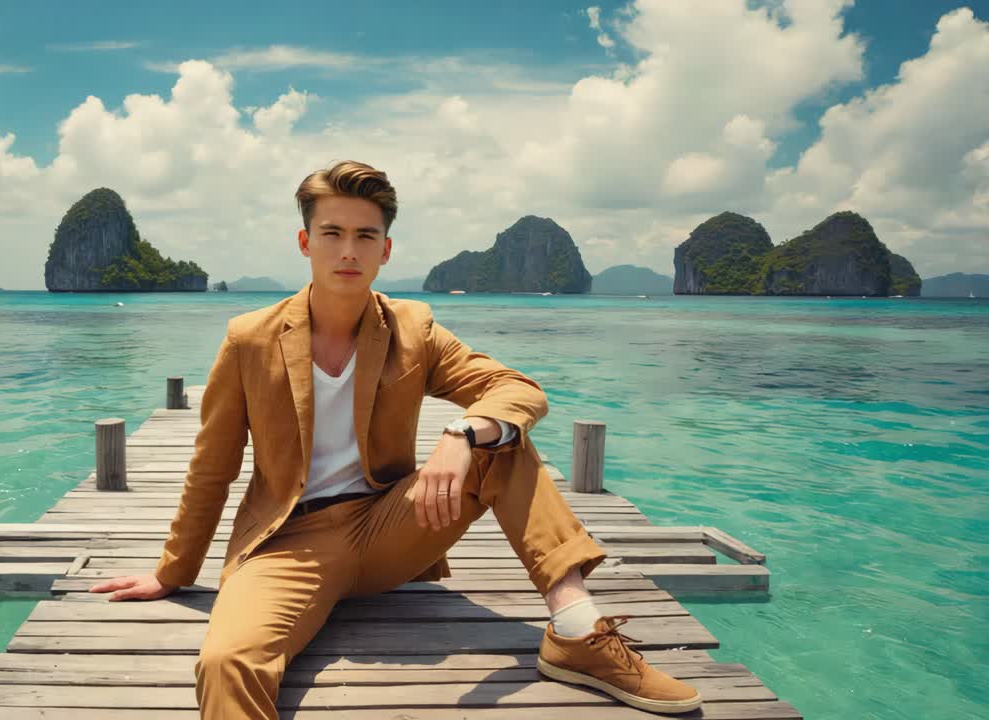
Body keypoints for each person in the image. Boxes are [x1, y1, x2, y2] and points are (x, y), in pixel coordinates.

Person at [88, 160, 703, 717]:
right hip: (289, 544)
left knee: (502, 440)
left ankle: (576, 630)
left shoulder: (413, 327)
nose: (348, 251)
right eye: (332, 233)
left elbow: (518, 389)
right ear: (305, 242)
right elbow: (212, 465)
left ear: (385, 251)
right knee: (225, 664)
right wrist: (174, 570)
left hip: (392, 526)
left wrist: (461, 432)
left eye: (365, 236)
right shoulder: (250, 338)